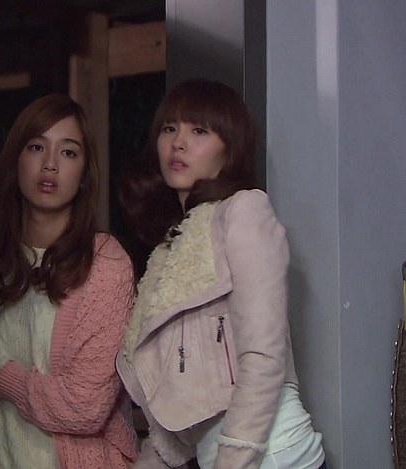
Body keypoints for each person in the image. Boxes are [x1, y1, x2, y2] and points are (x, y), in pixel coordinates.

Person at [116, 79, 326, 469]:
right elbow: (179, 408)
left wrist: (231, 461)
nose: (179, 143)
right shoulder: (171, 249)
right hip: (226, 456)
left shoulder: (243, 210)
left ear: (229, 149)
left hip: (275, 454)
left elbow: (263, 355)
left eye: (199, 131)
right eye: (169, 128)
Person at [0, 94, 138, 469]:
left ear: (83, 174)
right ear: (16, 160)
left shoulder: (105, 263)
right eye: (36, 147)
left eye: (68, 152)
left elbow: (84, 407)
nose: (50, 164)